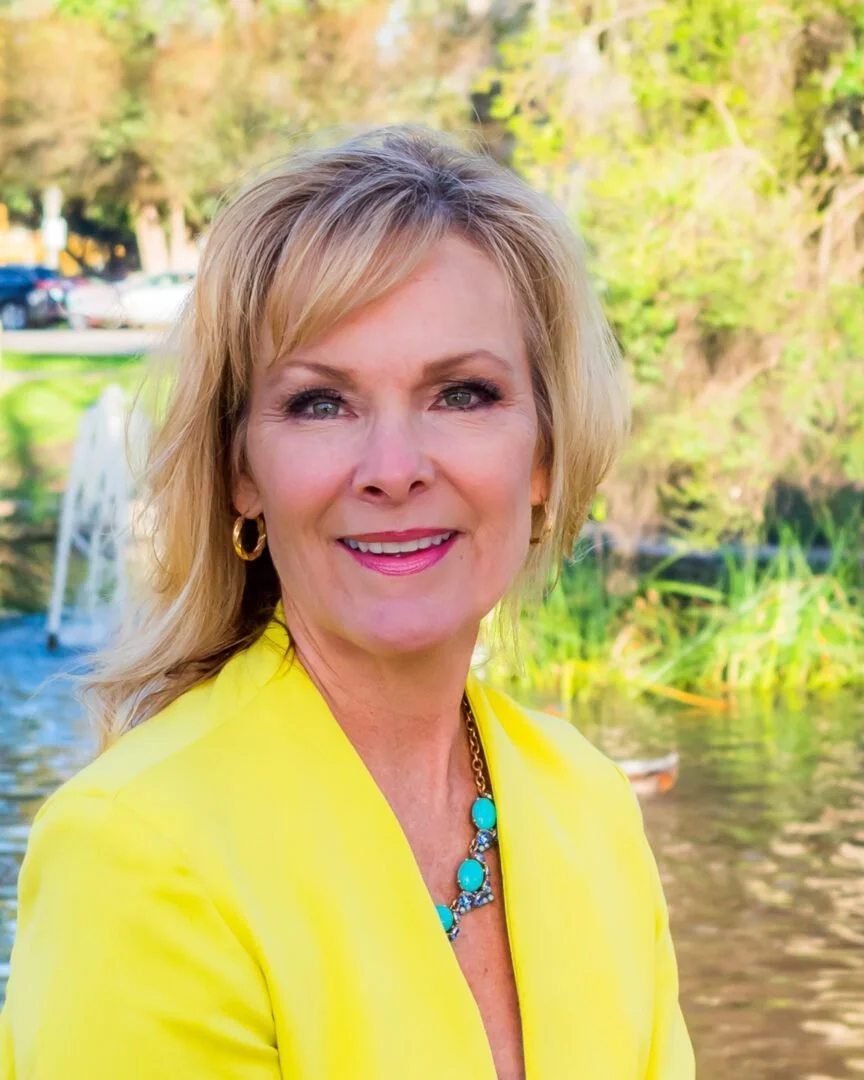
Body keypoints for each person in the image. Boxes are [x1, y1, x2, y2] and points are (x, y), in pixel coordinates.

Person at [0, 126, 694, 1079]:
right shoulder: (137, 851)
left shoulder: (589, 804)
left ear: (542, 454)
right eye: (322, 403)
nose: (395, 470)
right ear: (242, 471)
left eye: (462, 393)